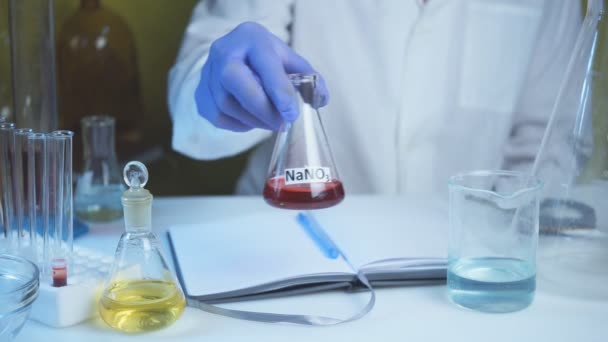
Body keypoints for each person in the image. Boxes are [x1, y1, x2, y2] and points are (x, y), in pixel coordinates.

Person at [168, 0, 580, 195]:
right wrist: (218, 84)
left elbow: (551, 143)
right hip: (289, 237)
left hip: (470, 262)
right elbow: (195, 110)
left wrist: (502, 239)